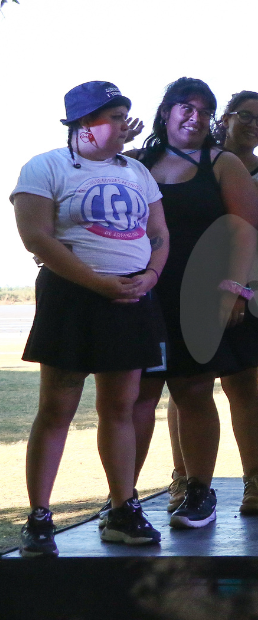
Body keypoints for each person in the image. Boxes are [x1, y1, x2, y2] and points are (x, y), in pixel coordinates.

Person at [14, 82, 167, 555]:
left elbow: (159, 233)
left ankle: (122, 509)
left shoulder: (138, 172)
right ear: (84, 124)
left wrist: (150, 276)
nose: (125, 124)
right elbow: (36, 237)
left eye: (126, 115)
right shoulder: (45, 167)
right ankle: (39, 518)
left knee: (120, 407)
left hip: (131, 298)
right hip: (72, 298)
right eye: (115, 116)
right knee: (57, 408)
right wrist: (96, 283)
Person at [133, 77, 258, 529]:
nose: (195, 117)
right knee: (138, 398)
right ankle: (124, 499)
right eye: (185, 107)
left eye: (204, 110)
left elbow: (245, 230)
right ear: (165, 113)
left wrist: (235, 290)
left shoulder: (223, 163)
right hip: (147, 298)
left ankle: (201, 492)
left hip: (207, 296)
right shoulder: (137, 163)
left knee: (195, 390)